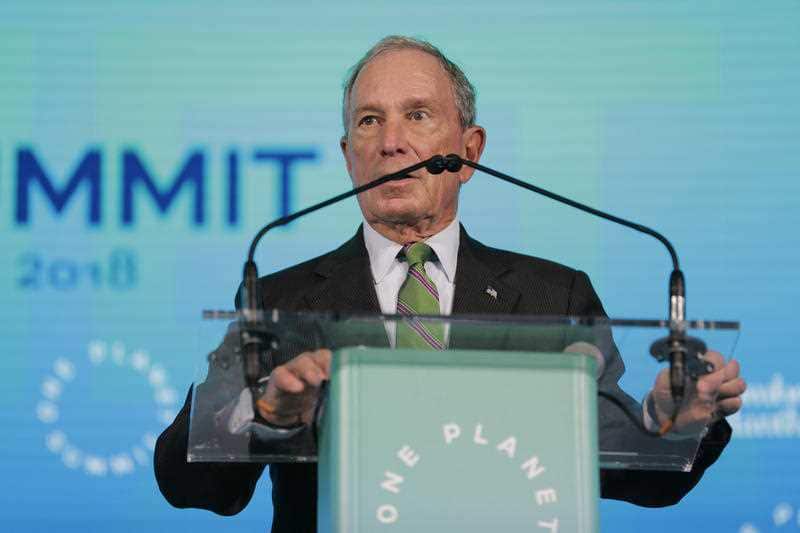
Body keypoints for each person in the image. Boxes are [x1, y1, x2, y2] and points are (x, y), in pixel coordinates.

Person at [155, 36, 746, 532]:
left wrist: (675, 423)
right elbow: (193, 485)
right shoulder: (282, 298)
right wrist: (266, 414)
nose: (391, 142)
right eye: (369, 121)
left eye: (417, 115)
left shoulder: (553, 295)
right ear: (347, 155)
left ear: (468, 151)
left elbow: (632, 478)